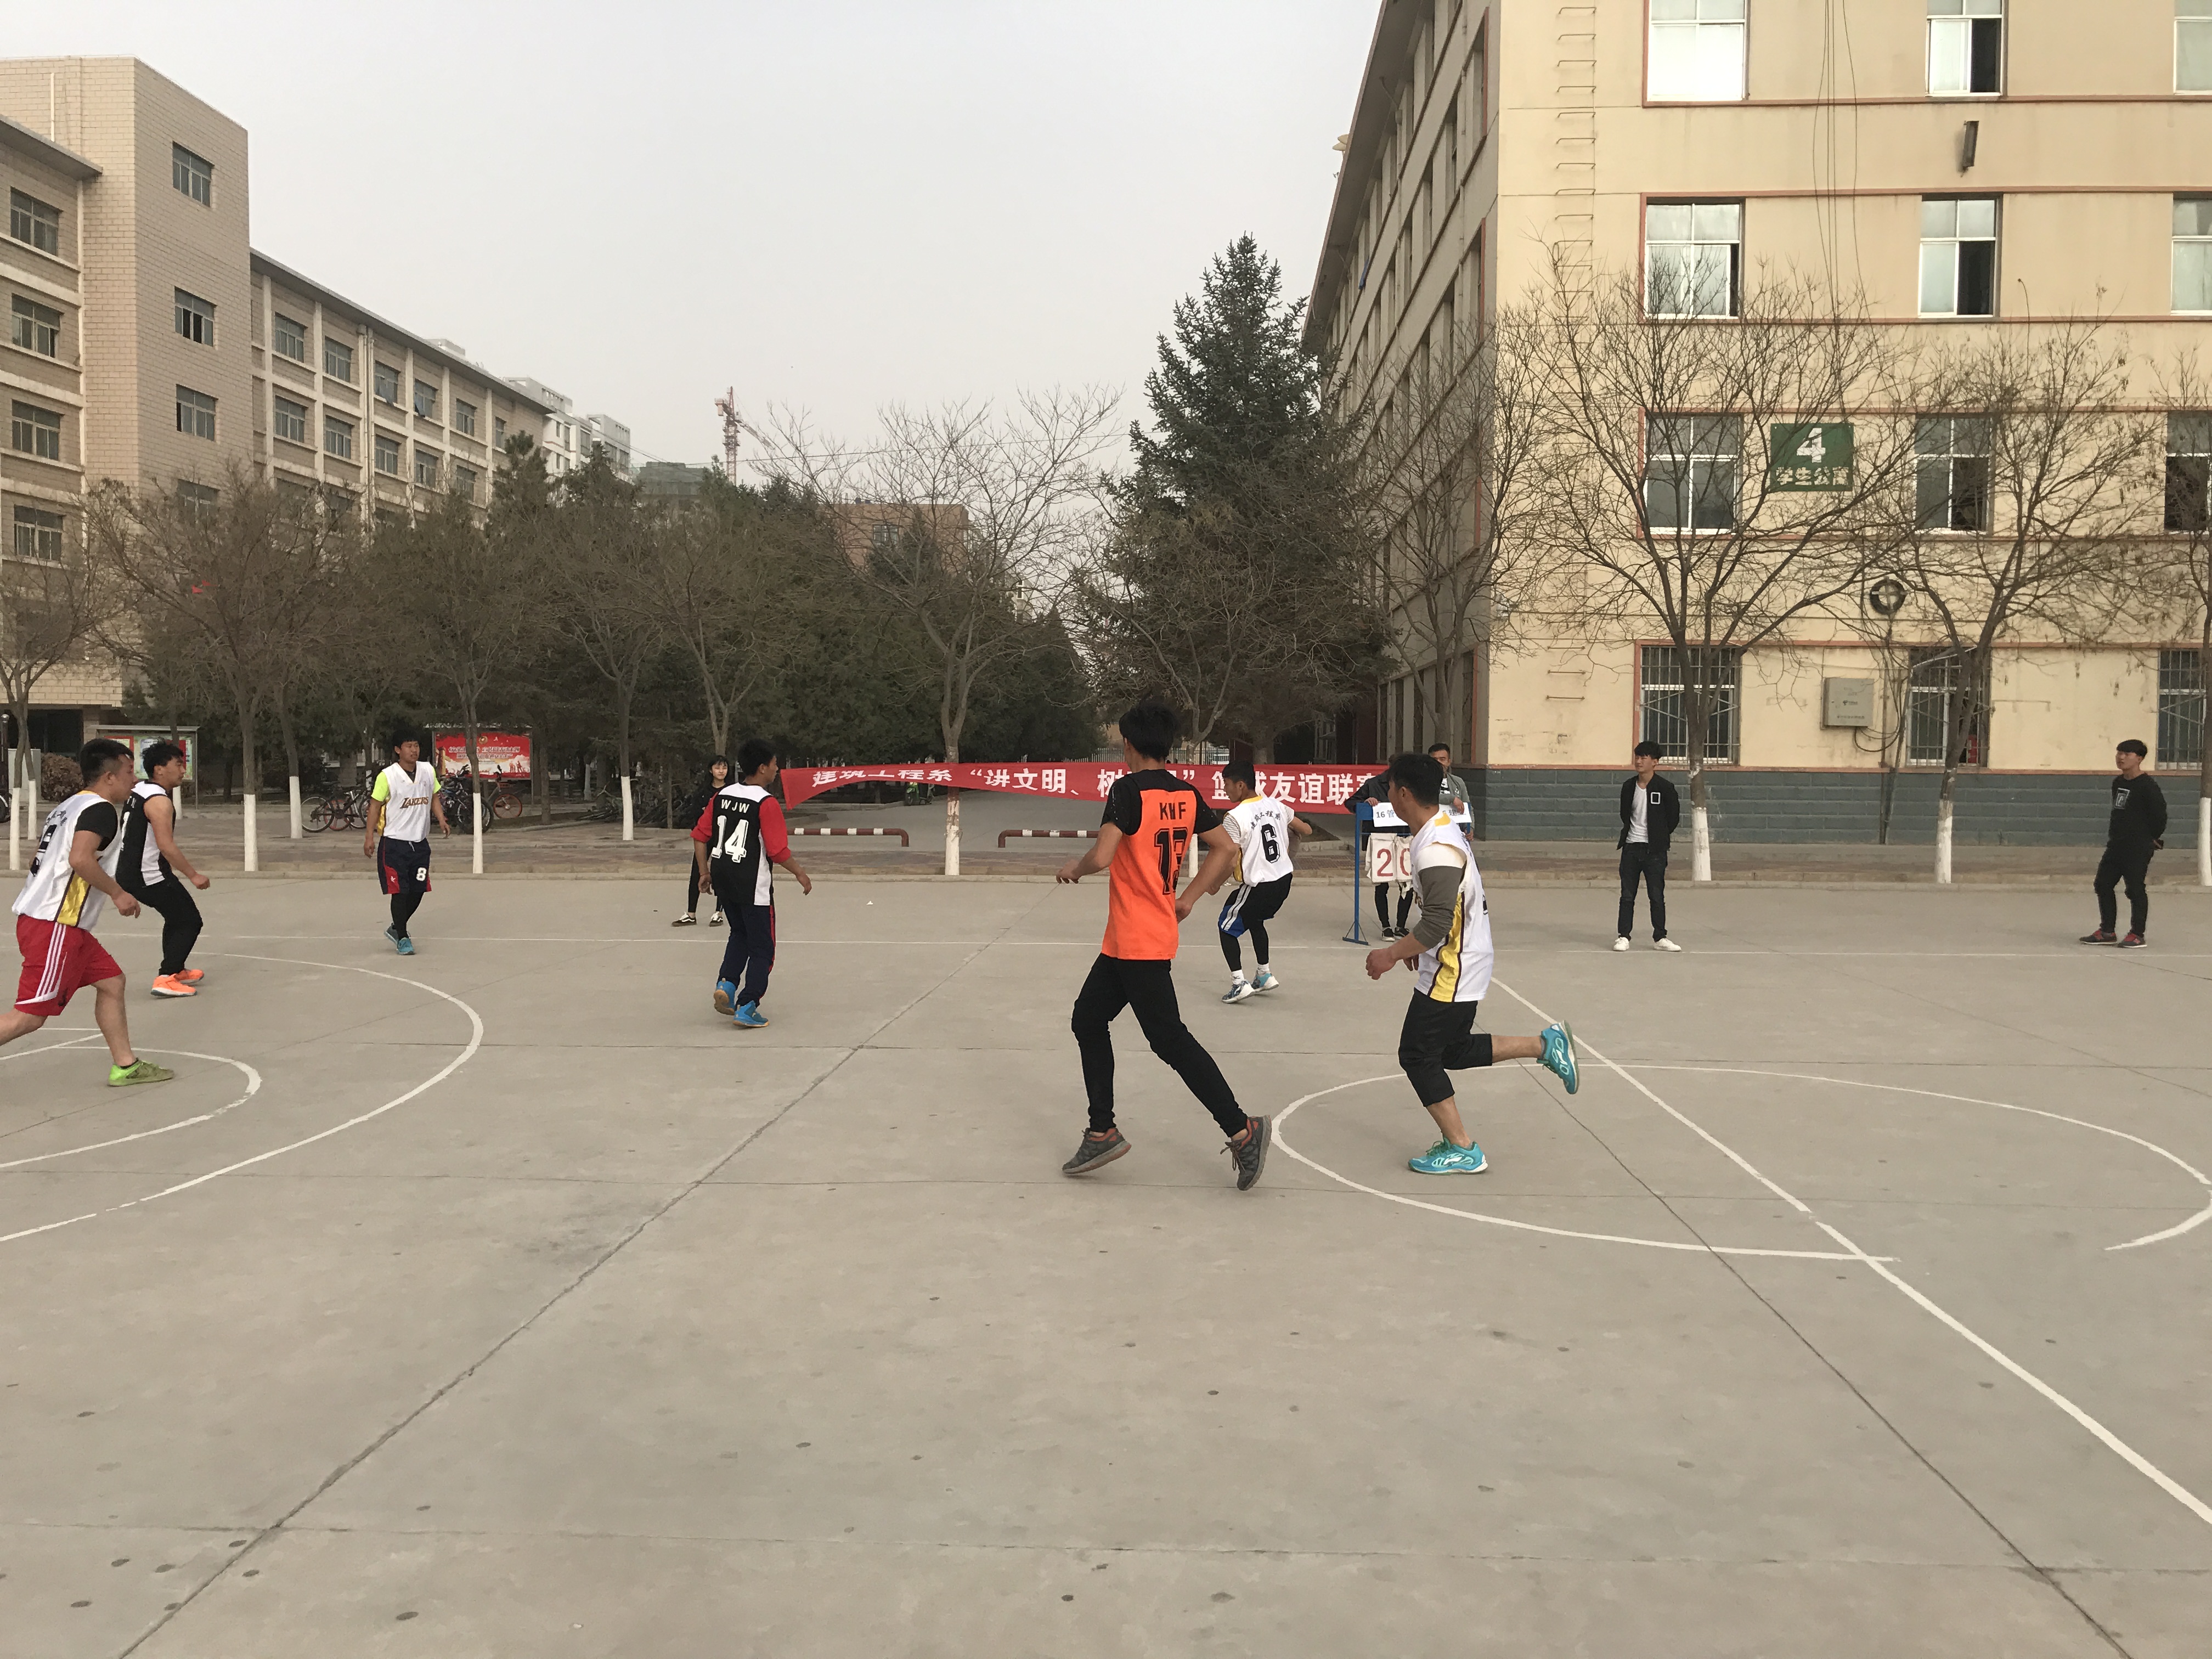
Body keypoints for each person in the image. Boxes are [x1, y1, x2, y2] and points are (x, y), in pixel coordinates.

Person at [1056, 700, 1269, 1189]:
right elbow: (1227, 848)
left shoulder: (1127, 790)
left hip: (1139, 940)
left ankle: (1242, 1129)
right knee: (1088, 1019)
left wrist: (1076, 869)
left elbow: (1104, 855)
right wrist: (1189, 898)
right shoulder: (1186, 794)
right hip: (1132, 938)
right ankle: (1102, 1130)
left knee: (1170, 1040)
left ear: (1128, 745)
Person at [1363, 752, 1577, 1175]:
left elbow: (1439, 921)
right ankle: (1545, 1045)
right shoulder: (1437, 829)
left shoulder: (1436, 848)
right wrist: (1417, 946)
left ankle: (1463, 1147)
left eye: (1390, 787)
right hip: (1460, 957)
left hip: (1454, 966)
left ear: (1404, 794)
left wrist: (1391, 953)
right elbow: (1444, 910)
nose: (1388, 793)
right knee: (1452, 1049)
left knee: (1417, 1055)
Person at [0, 738, 172, 1087]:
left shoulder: (70, 805)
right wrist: (118, 893)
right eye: (129, 772)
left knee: (112, 982)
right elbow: (79, 859)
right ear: (109, 777)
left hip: (60, 922)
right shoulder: (101, 810)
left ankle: (126, 1066)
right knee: (29, 1017)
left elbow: (44, 858)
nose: (135, 780)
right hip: (55, 924)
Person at [693, 739, 811, 1028]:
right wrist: (800, 873)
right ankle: (748, 1005)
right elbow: (777, 851)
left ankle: (726, 984)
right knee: (762, 948)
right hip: (752, 884)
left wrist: (704, 872)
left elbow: (699, 836)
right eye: (774, 764)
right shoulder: (766, 803)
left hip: (723, 877)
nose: (777, 769)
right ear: (762, 768)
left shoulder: (722, 796)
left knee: (739, 933)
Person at [1204, 760, 1311, 1003]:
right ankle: (1264, 974)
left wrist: (1215, 884)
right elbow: (1306, 830)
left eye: (1227, 784)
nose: (1225, 790)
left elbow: (1230, 860)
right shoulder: (1276, 805)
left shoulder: (1235, 817)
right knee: (1255, 920)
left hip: (1260, 885)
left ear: (1241, 785)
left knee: (1226, 927)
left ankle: (1238, 983)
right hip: (1284, 880)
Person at [119, 741, 211, 997]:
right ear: (159, 769)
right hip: (148, 875)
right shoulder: (159, 801)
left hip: (134, 870)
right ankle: (166, 978)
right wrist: (194, 875)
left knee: (176, 917)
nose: (183, 770)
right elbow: (166, 846)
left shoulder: (140, 789)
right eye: (178, 765)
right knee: (190, 921)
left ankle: (175, 969)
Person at [364, 732, 449, 957]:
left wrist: (441, 819)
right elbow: (374, 806)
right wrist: (369, 836)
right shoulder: (388, 776)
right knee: (400, 891)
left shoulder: (427, 771)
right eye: (409, 746)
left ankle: (396, 926)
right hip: (395, 845)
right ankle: (402, 937)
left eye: (416, 745)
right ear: (398, 750)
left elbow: (434, 796)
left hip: (420, 845)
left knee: (419, 889)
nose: (414, 750)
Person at [2081, 739, 2166, 949]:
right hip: (2117, 844)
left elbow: (2160, 816)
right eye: (2119, 753)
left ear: (2139, 759)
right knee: (2103, 884)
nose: (2121, 758)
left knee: (2135, 889)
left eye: (2127, 754)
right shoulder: (2118, 782)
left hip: (2138, 846)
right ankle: (2107, 931)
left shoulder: (2148, 786)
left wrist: (2151, 839)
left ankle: (2137, 934)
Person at [1615, 740, 1683, 952]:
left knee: (1656, 895)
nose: (1639, 761)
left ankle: (1660, 937)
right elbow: (1625, 814)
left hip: (1655, 851)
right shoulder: (1629, 787)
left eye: (1644, 758)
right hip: (1631, 848)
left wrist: (1659, 837)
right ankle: (1623, 936)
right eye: (1637, 757)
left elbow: (1673, 818)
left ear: (1655, 762)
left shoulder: (1665, 788)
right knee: (1627, 896)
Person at [1355, 768, 1416, 940]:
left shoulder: (1410, 784)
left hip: (1404, 838)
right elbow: (1352, 803)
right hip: (1381, 840)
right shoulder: (1373, 784)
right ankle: (1386, 926)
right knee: (1382, 885)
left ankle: (1401, 926)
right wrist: (1366, 801)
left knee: (1407, 884)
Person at [672, 757, 732, 927]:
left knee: (722, 873)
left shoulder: (732, 791)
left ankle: (719, 913)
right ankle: (691, 914)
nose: (721, 771)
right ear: (711, 770)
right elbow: (696, 816)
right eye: (717, 768)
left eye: (724, 768)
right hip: (706, 838)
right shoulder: (703, 793)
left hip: (725, 839)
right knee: (697, 872)